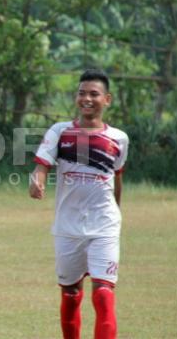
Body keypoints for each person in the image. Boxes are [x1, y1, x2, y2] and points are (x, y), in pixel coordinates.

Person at [29, 70, 129, 339]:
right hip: (67, 227)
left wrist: (116, 213)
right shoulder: (60, 131)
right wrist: (36, 181)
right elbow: (42, 165)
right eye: (82, 93)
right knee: (71, 294)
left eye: (93, 94)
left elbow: (116, 178)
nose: (87, 98)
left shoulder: (119, 138)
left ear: (106, 99)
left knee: (103, 293)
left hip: (104, 226)